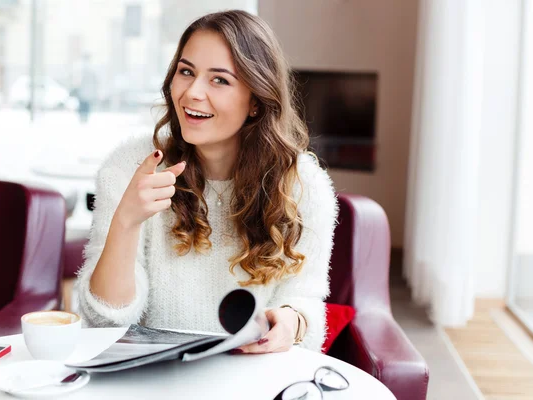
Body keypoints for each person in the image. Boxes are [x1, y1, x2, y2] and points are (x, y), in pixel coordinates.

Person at [76, 10, 338, 354]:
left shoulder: (304, 185)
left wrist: (292, 321)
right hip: (151, 377)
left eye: (219, 80)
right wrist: (126, 222)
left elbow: (304, 300)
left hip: (248, 374)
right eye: (186, 72)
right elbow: (105, 322)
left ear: (256, 101)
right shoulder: (130, 167)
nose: (192, 93)